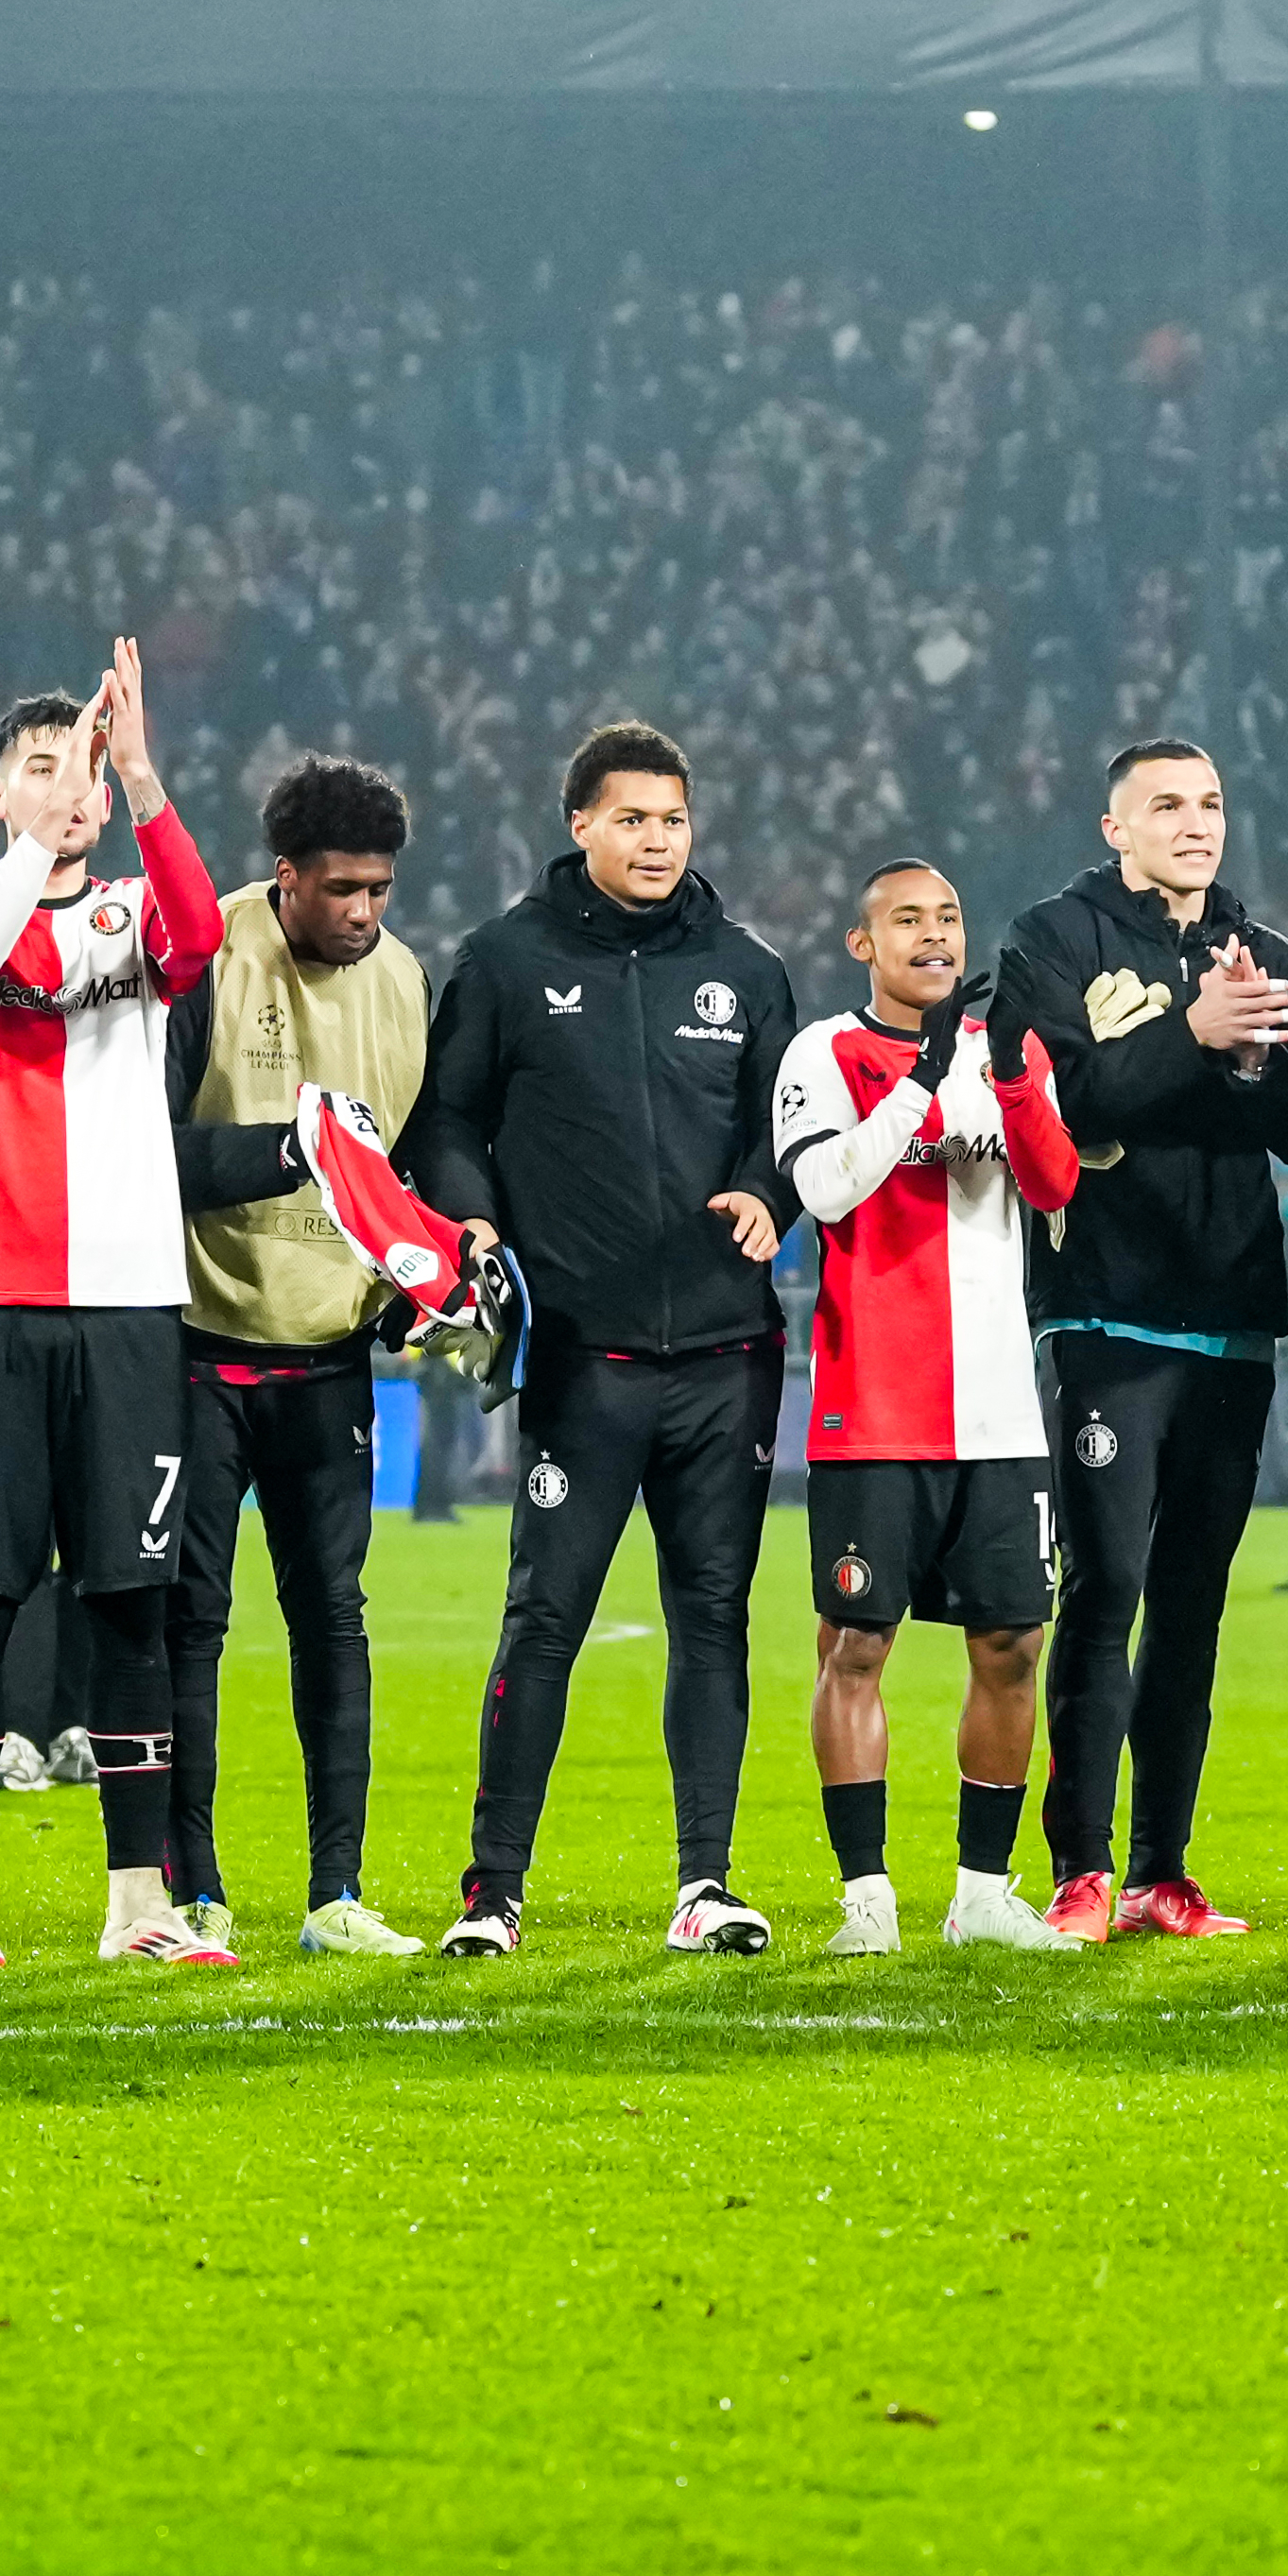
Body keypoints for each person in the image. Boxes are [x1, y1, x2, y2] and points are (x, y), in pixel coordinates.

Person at [411, 716, 799, 1956]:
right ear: (578, 824)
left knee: (714, 1618)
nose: (654, 839)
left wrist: (770, 1195)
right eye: (630, 818)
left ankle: (706, 1884)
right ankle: (494, 1893)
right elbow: (449, 1120)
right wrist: (473, 1220)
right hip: (584, 1357)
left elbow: (784, 1124)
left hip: (728, 1359)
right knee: (544, 1618)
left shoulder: (746, 969)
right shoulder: (504, 962)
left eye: (672, 819)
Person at [0, 646, 233, 1971]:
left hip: (135, 1308)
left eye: (79, 765)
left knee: (129, 1603)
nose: (65, 784)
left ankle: (137, 1905)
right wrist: (40, 842)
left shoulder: (137, 915)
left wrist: (139, 773)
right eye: (40, 765)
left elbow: (199, 938)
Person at [997, 735, 1288, 1938]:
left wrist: (1249, 1064)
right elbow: (1057, 1101)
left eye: (1212, 803)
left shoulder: (1268, 953)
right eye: (1167, 805)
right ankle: (1078, 1867)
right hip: (1104, 1305)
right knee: (1106, 1586)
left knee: (1191, 1601)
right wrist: (1190, 1033)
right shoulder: (1051, 939)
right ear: (1112, 828)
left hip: (1230, 1312)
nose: (1196, 823)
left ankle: (1160, 1872)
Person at [164, 752, 458, 1959]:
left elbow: (410, 1172)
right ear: (283, 878)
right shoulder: (206, 960)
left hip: (328, 1354)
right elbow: (153, 1161)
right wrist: (295, 1153)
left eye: (380, 890)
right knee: (190, 1622)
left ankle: (335, 1894)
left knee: (331, 1618)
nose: (363, 913)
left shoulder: (400, 981)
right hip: (195, 1341)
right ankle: (192, 1892)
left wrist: (416, 1285)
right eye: (340, 889)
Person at [774, 861, 1079, 1951]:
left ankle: (982, 1895)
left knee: (1010, 1647)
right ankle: (866, 1900)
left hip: (998, 1413)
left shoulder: (1011, 1054)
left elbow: (1050, 1183)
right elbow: (823, 1190)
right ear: (864, 944)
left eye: (947, 918)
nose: (932, 935)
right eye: (906, 920)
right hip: (874, 1408)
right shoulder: (823, 1053)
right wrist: (919, 1077)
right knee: (854, 1645)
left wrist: (996, 1077)